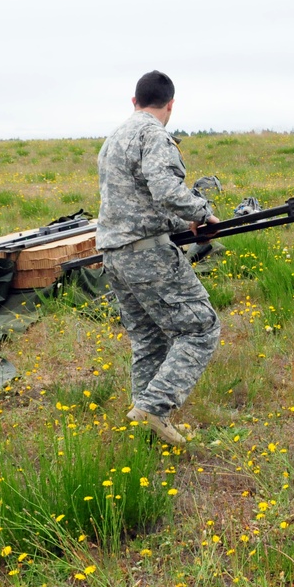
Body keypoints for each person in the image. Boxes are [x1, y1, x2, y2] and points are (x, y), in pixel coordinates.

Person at [96, 70, 221, 446]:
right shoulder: (154, 135)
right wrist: (202, 213)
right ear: (170, 104)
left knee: (149, 340)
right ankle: (153, 406)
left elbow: (138, 198)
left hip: (114, 254)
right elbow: (165, 188)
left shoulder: (114, 138)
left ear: (134, 102)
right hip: (147, 254)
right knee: (201, 328)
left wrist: (180, 220)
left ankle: (144, 427)